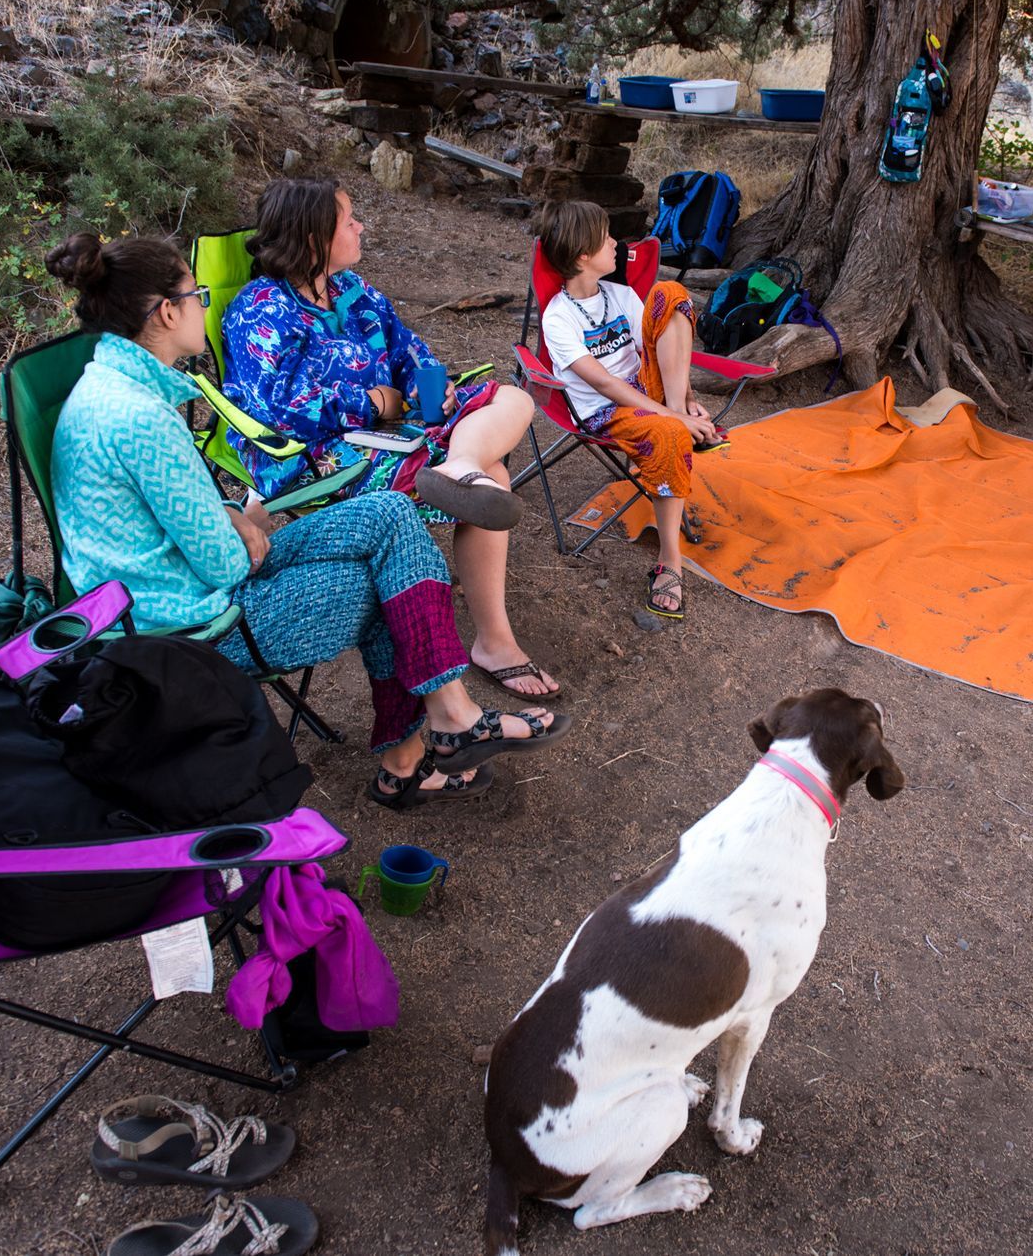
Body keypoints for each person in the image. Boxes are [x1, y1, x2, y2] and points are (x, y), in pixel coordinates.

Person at [44, 231, 570, 811]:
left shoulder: (111, 389)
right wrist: (242, 532)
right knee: (389, 581)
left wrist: (229, 517)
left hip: (178, 584)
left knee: (393, 514)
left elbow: (164, 511)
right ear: (167, 312)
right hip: (187, 631)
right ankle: (417, 754)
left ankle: (443, 729)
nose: (204, 307)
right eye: (198, 296)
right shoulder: (138, 418)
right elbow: (221, 563)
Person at [218, 178, 561, 701]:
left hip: (391, 431)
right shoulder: (260, 311)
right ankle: (494, 640)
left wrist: (435, 382)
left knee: (514, 398)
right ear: (313, 237)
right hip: (317, 455)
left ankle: (458, 464)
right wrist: (375, 403)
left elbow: (408, 350)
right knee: (495, 479)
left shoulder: (352, 292)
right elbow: (280, 411)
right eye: (348, 220)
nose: (360, 227)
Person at [535, 200, 726, 620]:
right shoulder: (559, 317)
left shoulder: (620, 295)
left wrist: (685, 399)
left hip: (652, 394)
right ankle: (669, 562)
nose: (616, 245)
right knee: (670, 433)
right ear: (583, 255)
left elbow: (662, 346)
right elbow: (603, 384)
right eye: (606, 238)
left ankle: (678, 412)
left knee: (670, 293)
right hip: (607, 411)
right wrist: (673, 420)